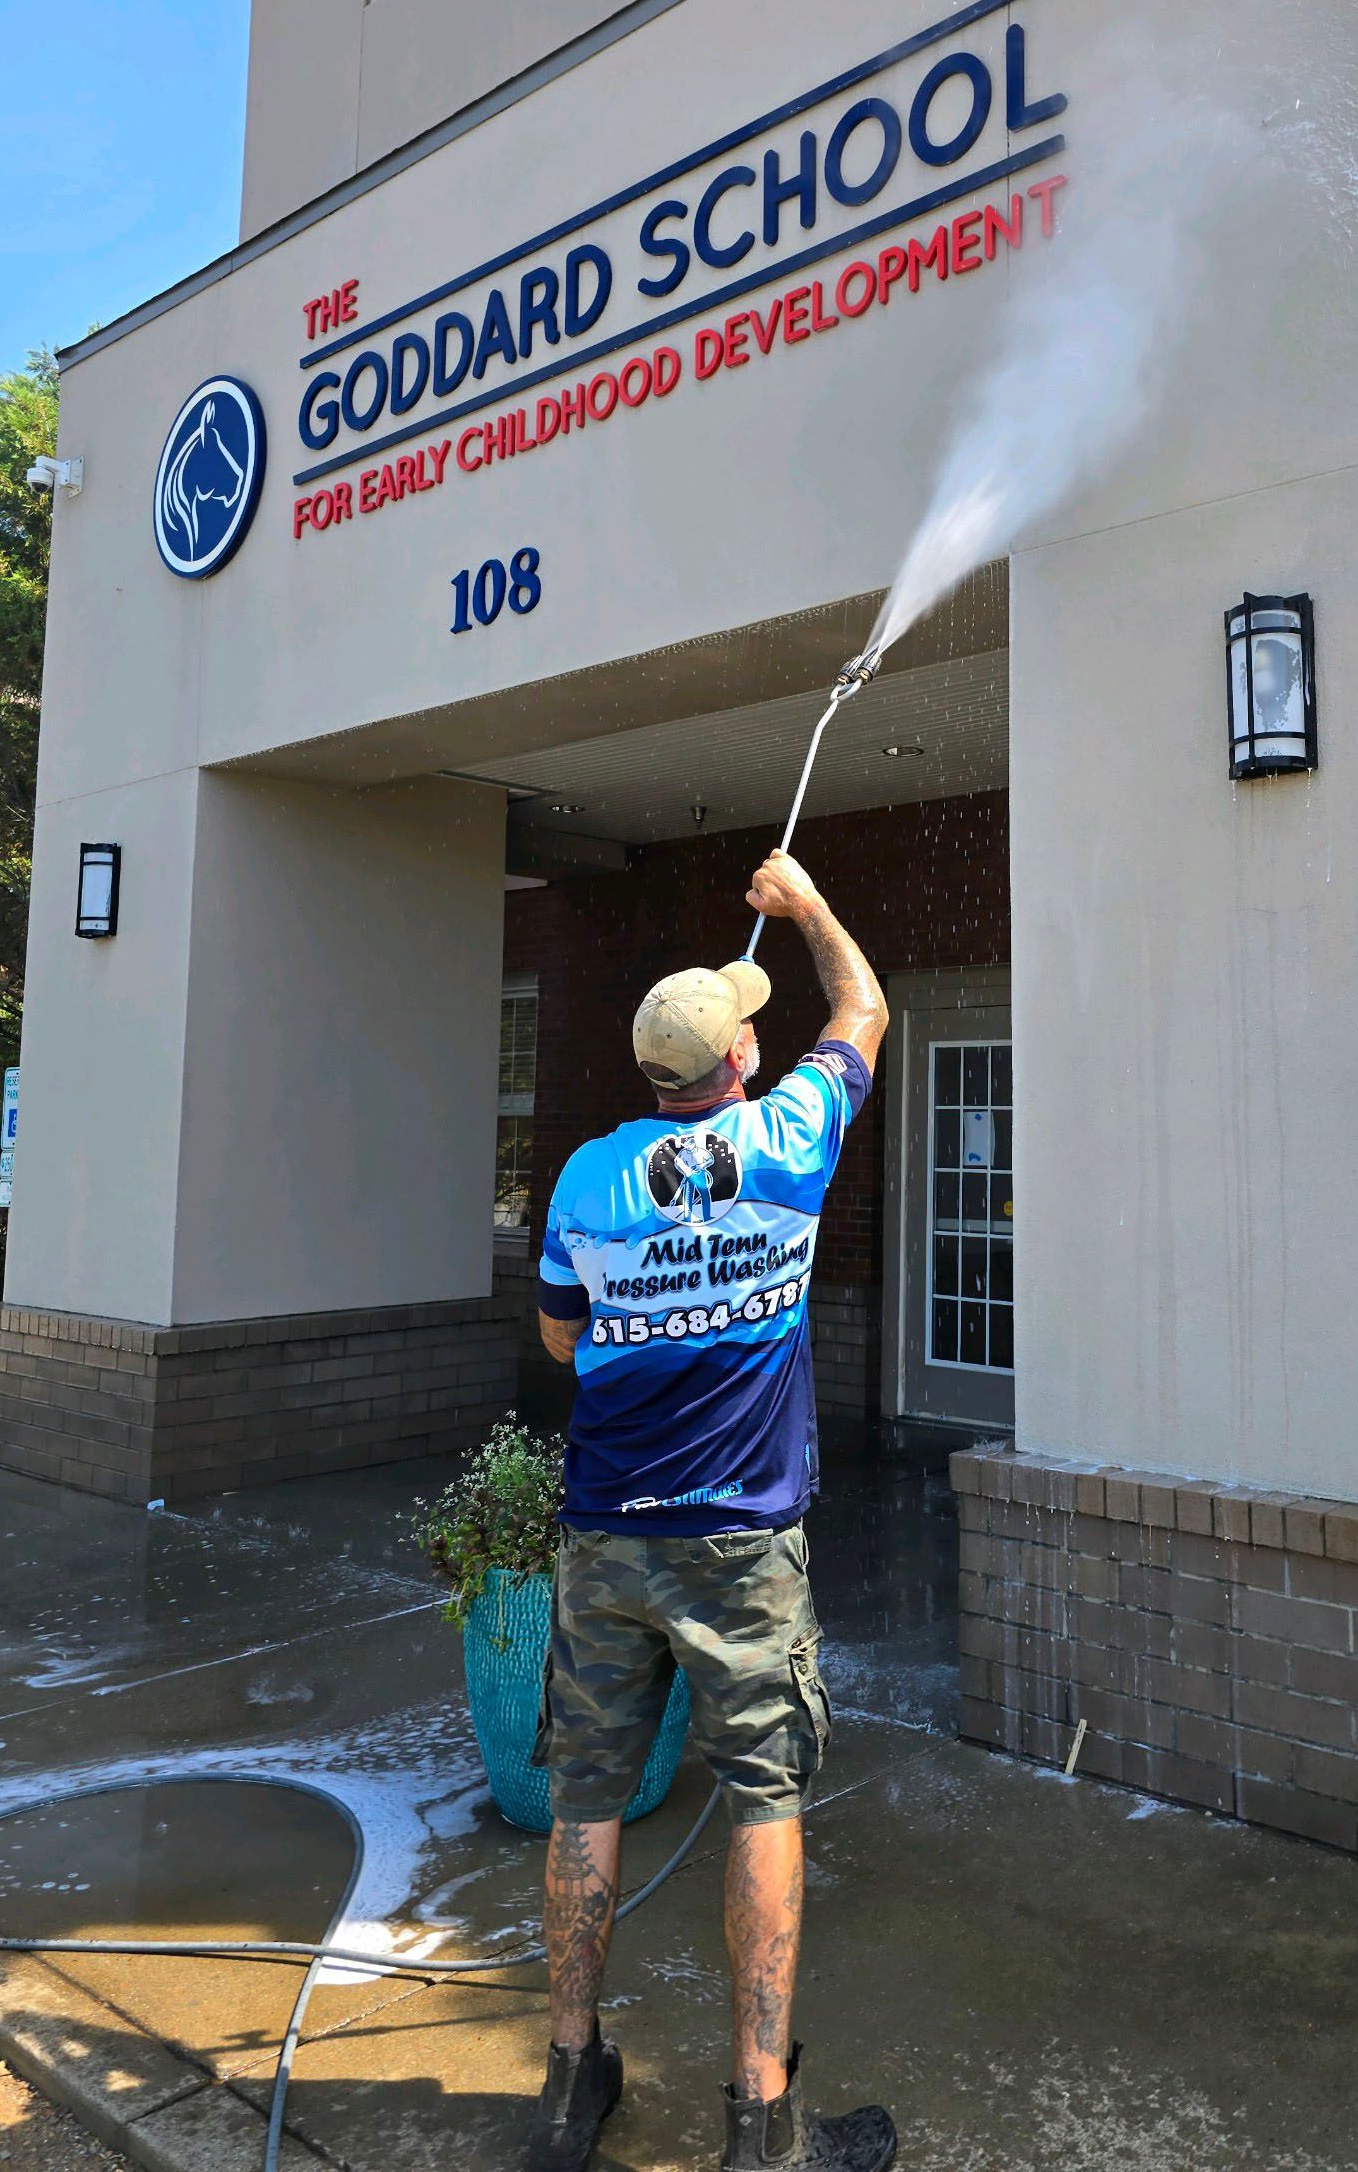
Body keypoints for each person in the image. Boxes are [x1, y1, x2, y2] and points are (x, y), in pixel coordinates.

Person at [525, 850, 895, 2172]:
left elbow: (561, 1343)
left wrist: (656, 1298)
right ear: (739, 1055)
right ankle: (761, 2119)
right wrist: (804, 910)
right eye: (749, 1022)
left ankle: (570, 2086)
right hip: (741, 1542)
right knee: (763, 1798)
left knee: (585, 1794)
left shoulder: (584, 1178)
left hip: (608, 1532)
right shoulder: (785, 1136)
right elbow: (860, 1011)